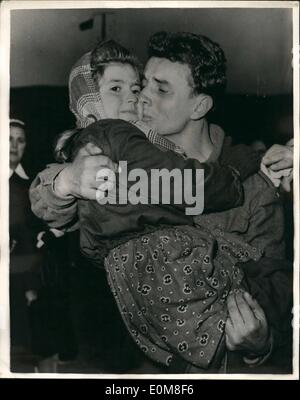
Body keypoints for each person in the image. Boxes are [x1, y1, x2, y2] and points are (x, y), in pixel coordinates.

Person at [30, 34, 293, 373]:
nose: (142, 100)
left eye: (160, 90)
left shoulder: (255, 189)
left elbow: (281, 300)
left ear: (199, 106)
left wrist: (261, 343)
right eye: (142, 86)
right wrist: (69, 180)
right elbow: (45, 202)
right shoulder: (125, 157)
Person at [9, 119, 42, 370]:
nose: (14, 145)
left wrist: (31, 286)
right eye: (8, 138)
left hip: (21, 277)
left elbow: (33, 237)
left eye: (20, 140)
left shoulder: (31, 186)